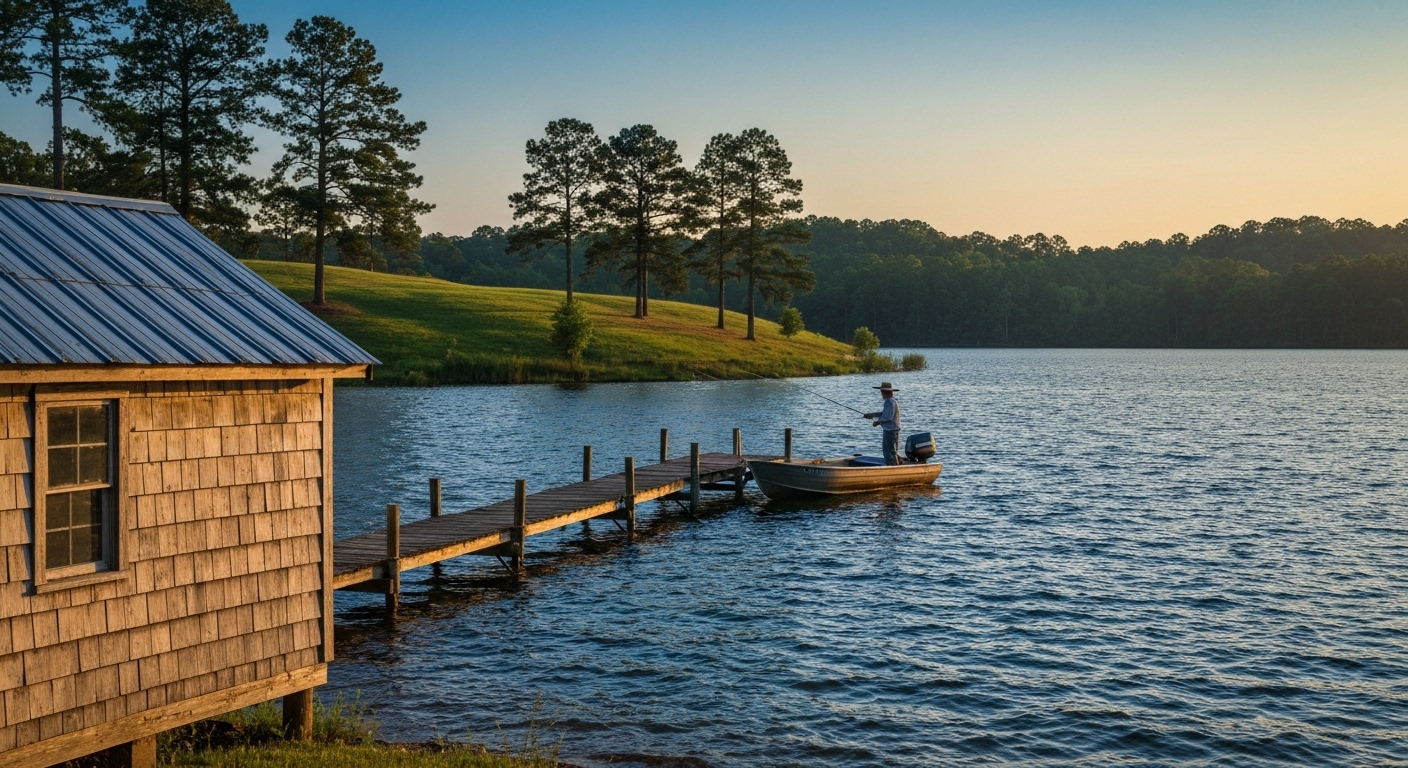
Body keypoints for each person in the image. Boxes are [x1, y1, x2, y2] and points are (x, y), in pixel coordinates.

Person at [862, 382, 901, 465]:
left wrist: (877, 422)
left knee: (889, 452)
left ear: (884, 392)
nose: (881, 394)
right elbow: (885, 413)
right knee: (892, 450)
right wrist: (872, 415)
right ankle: (897, 465)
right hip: (893, 430)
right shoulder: (892, 401)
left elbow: (888, 417)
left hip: (890, 430)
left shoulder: (889, 402)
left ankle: (893, 468)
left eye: (882, 392)